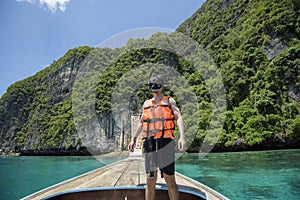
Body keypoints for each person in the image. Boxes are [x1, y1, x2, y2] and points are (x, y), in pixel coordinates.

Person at [128, 75, 186, 200]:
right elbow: (141, 123)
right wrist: (134, 139)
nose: (154, 87)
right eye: (152, 84)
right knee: (150, 179)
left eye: (157, 84)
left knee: (169, 178)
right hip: (149, 142)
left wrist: (182, 137)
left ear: (161, 85)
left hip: (165, 142)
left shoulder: (169, 101)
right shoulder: (146, 104)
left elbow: (178, 117)